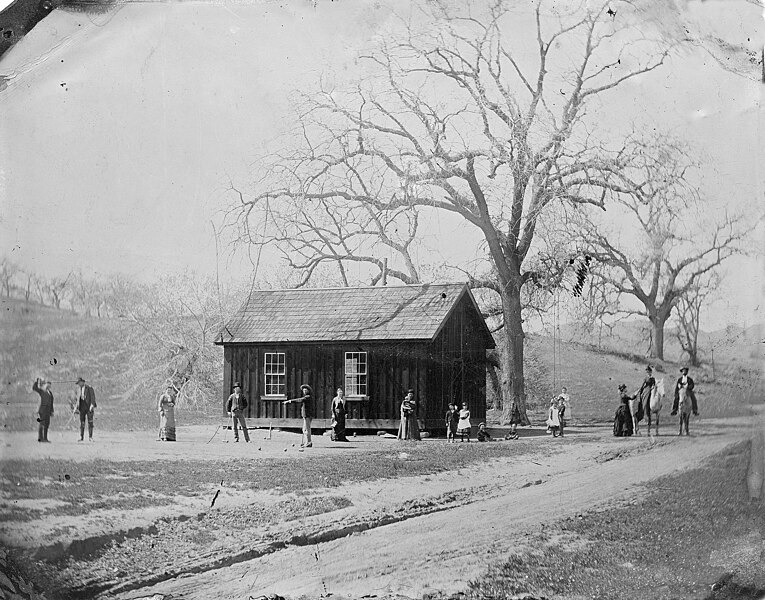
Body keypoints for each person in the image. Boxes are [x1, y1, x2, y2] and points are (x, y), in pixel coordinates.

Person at [284, 384, 314, 448]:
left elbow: (299, 400)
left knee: (306, 429)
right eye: (304, 390)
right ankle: (306, 442)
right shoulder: (306, 397)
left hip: (307, 415)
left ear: (308, 391)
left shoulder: (308, 397)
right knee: (304, 429)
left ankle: (309, 442)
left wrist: (290, 401)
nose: (304, 391)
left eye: (306, 390)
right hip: (305, 415)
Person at [74, 377, 97, 442]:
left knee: (90, 422)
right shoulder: (78, 390)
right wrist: (76, 407)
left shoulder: (89, 388)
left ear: (82, 382)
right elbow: (77, 399)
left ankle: (90, 437)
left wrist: (92, 405)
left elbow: (93, 397)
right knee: (82, 423)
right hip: (82, 408)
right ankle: (81, 437)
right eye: (78, 383)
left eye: (79, 383)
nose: (79, 384)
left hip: (89, 407)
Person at [32, 378, 54, 442]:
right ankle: (40, 438)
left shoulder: (50, 393)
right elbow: (34, 388)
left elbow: (51, 403)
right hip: (42, 411)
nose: (48, 386)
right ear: (45, 385)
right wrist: (37, 381)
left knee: (47, 424)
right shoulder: (42, 391)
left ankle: (45, 438)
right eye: (47, 384)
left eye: (49, 384)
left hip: (48, 411)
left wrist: (52, 411)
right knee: (42, 424)